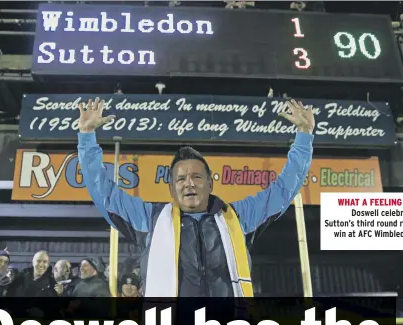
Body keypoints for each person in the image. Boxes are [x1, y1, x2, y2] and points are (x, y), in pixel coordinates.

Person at [77, 97, 314, 297]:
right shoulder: (149, 219)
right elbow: (104, 192)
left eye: (196, 177)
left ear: (210, 183)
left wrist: (304, 138)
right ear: (171, 189)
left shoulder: (239, 218)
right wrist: (86, 137)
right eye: (180, 179)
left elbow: (282, 191)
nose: (189, 183)